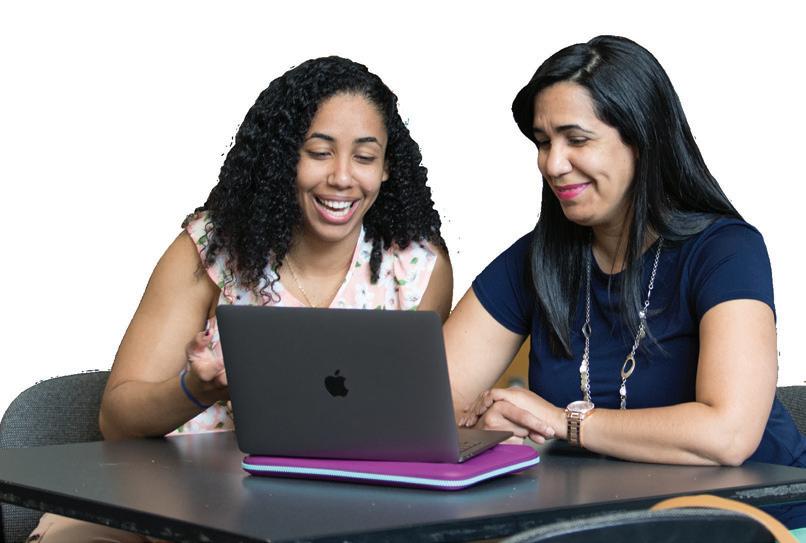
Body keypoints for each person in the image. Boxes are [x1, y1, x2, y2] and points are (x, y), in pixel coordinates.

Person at [27, 56, 452, 542]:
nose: (341, 177)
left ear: (387, 167)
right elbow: (116, 420)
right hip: (160, 501)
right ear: (283, 157)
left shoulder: (416, 271)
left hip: (323, 517)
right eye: (318, 152)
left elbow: (414, 432)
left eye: (365, 157)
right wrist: (195, 389)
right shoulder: (213, 248)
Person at [446, 35, 806, 533]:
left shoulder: (727, 251)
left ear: (643, 140)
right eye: (543, 142)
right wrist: (488, 428)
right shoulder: (536, 259)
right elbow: (424, 407)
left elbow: (728, 434)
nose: (552, 164)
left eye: (576, 139)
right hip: (608, 524)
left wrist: (562, 422)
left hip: (760, 523)